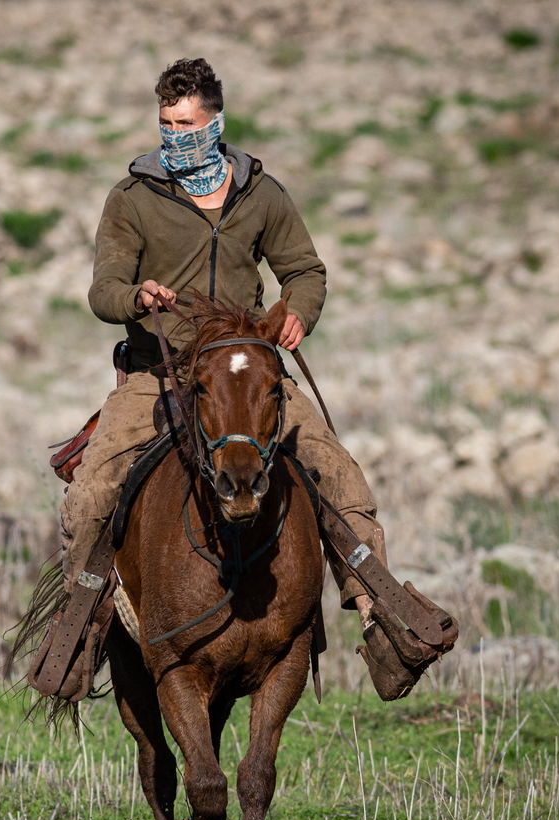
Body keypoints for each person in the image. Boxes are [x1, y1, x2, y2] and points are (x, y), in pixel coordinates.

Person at [60, 57, 386, 624]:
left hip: (249, 369)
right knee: (91, 491)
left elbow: (305, 271)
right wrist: (137, 296)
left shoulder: (261, 194)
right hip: (159, 372)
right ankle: (81, 630)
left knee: (337, 472)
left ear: (215, 123)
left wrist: (298, 316)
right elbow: (103, 290)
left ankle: (380, 614)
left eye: (186, 126)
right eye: (167, 125)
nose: (174, 137)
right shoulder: (132, 198)